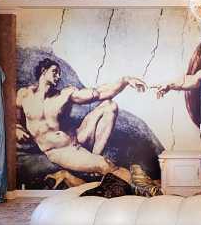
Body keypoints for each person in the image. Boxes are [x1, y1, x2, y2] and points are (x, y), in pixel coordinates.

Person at [16, 58, 147, 188]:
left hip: (77, 137)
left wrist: (125, 80)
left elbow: (99, 93)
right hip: (60, 150)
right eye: (55, 71)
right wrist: (16, 128)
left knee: (109, 105)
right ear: (43, 71)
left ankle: (94, 159)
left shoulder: (64, 95)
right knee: (105, 165)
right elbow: (12, 116)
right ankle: (144, 186)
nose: (58, 76)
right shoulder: (24, 95)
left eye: (59, 73)